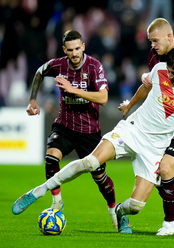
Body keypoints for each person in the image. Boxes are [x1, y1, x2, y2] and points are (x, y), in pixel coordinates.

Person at [12, 46, 174, 235]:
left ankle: (119, 211)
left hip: (155, 148)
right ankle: (38, 191)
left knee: (136, 207)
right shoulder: (160, 70)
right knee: (92, 162)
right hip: (132, 130)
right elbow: (145, 88)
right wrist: (129, 106)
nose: (170, 76)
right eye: (169, 71)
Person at [119, 18, 174, 235]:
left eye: (155, 41)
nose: (152, 46)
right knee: (158, 170)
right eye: (150, 42)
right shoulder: (154, 57)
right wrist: (133, 101)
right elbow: (153, 85)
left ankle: (170, 223)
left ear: (169, 36)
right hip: (163, 120)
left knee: (165, 168)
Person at [25, 30, 117, 228]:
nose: (74, 53)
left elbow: (103, 98)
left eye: (77, 48)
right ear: (64, 50)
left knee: (100, 178)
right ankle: (57, 201)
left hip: (89, 132)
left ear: (83, 46)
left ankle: (114, 210)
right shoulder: (58, 65)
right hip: (65, 125)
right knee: (51, 157)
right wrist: (32, 99)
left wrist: (73, 89)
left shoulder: (94, 66)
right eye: (70, 50)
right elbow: (40, 72)